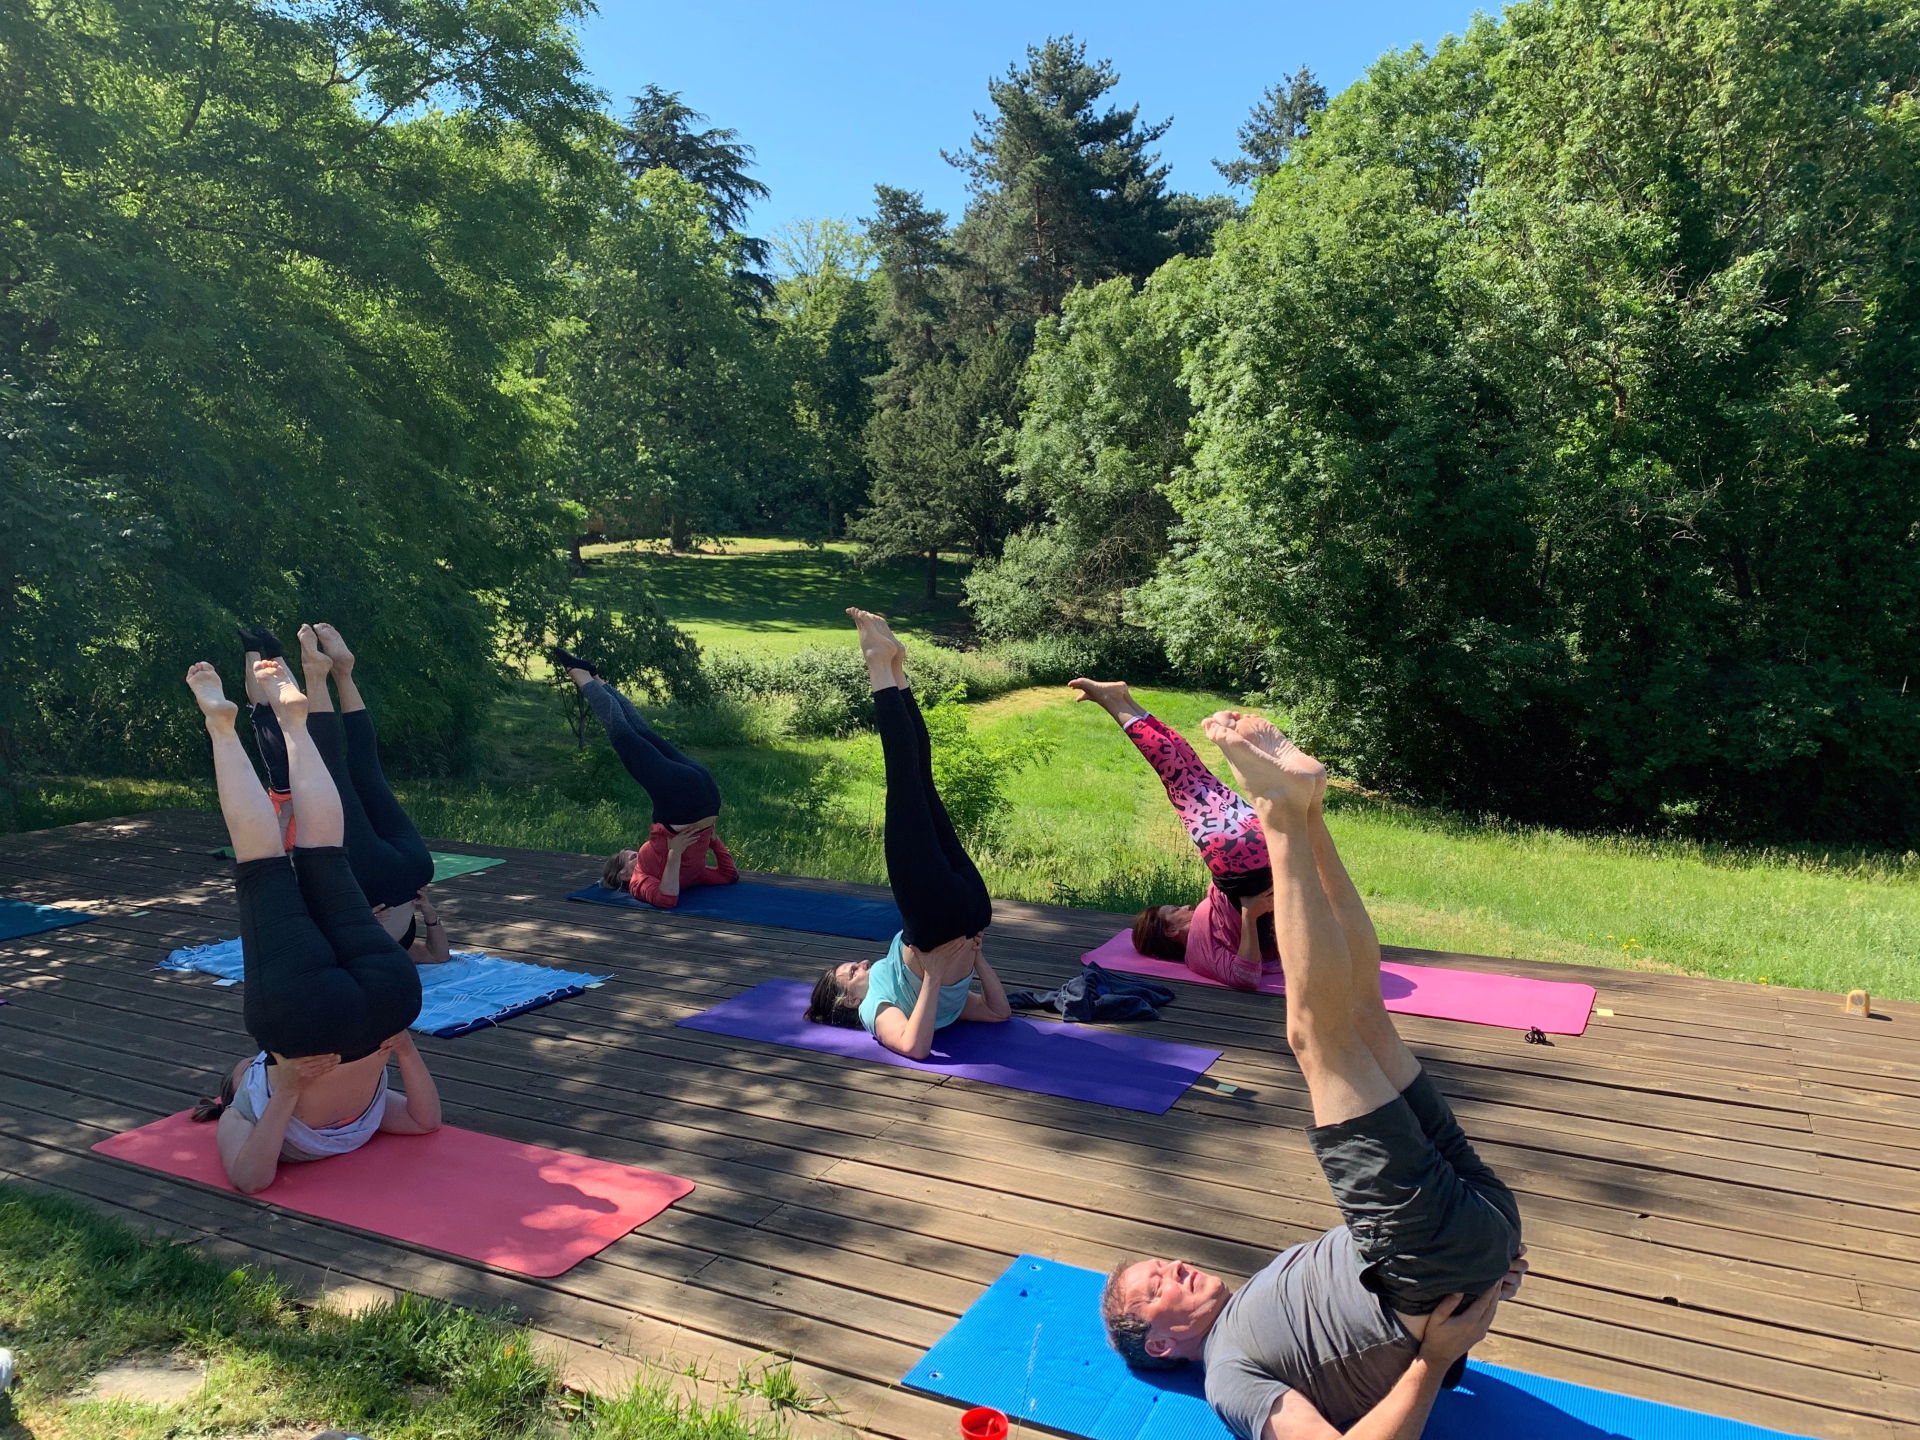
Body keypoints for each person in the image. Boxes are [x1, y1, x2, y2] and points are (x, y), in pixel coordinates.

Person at [1100, 713, 1527, 1440]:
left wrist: (1486, 1260)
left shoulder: (1254, 1300)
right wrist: (1434, 1362)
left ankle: (1307, 809)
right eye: (1155, 1286)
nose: (1174, 1266)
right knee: (1312, 1037)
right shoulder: (1229, 1373)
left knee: (1362, 1015)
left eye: (1162, 1265)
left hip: (1455, 1224)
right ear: (1161, 1342)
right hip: (1427, 1260)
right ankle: (1280, 817)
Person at [185, 657, 441, 1194]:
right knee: (263, 868)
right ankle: (225, 728)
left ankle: (297, 724)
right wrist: (281, 1092)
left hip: (390, 1002)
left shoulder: (362, 1118)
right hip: (313, 1019)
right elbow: (250, 1179)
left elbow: (423, 1121)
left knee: (327, 856)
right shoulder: (249, 1104)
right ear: (232, 1090)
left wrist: (403, 1048)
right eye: (237, 1076)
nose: (243, 1066)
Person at [804, 610, 1012, 1059]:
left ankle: (895, 667)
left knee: (920, 778)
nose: (860, 963)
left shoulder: (911, 996)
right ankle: (880, 665)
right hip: (938, 919)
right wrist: (939, 975)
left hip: (971, 911)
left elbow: (997, 1014)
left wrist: (973, 959)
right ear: (848, 999)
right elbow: (916, 1048)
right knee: (904, 778)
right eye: (849, 973)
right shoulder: (872, 1007)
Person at [1069, 678, 1277, 990]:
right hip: (1242, 861)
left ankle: (1123, 699)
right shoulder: (1197, 951)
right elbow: (1245, 978)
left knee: (1189, 768)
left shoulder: (1207, 925)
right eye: (1174, 911)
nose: (1184, 907)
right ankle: (1114, 703)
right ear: (1169, 931)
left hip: (1243, 860)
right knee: (1178, 776)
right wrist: (1249, 915)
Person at [552, 648, 737, 909]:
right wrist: (706, 844)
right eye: (628, 858)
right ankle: (581, 675)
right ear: (624, 876)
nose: (633, 853)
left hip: (694, 797)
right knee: (624, 736)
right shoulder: (639, 881)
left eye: (629, 854)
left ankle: (596, 679)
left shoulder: (657, 875)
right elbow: (676, 896)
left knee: (638, 732)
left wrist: (683, 850)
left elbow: (718, 878)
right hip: (688, 801)